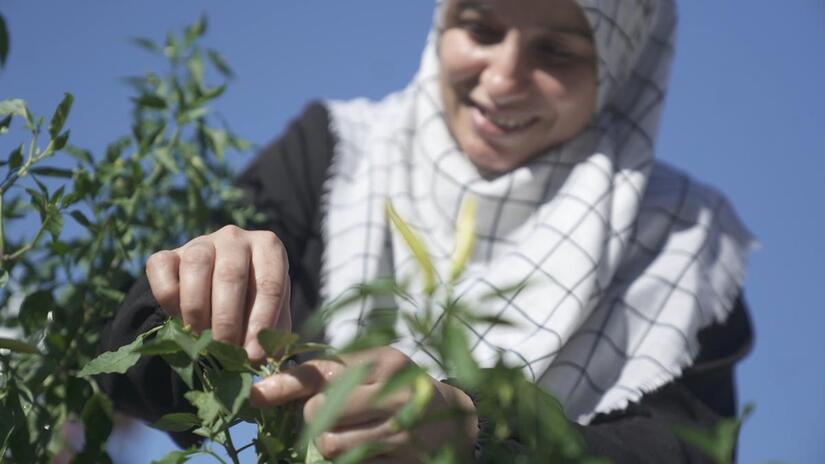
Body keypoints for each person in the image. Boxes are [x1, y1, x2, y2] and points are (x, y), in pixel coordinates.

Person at [99, 0, 756, 461]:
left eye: (556, 51)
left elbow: (679, 451)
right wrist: (186, 305)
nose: (502, 79)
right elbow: (140, 377)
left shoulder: (680, 240)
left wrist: (475, 434)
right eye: (479, 26)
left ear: (617, 65)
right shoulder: (335, 152)